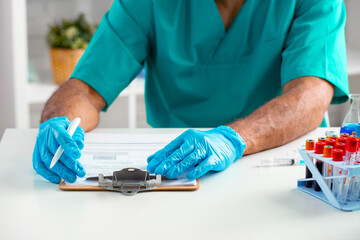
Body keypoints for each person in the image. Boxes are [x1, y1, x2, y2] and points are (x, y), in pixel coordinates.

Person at [33, 0, 349, 183]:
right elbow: (86, 90)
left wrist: (232, 138)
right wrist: (59, 122)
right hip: (175, 172)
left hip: (281, 167)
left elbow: (311, 93)